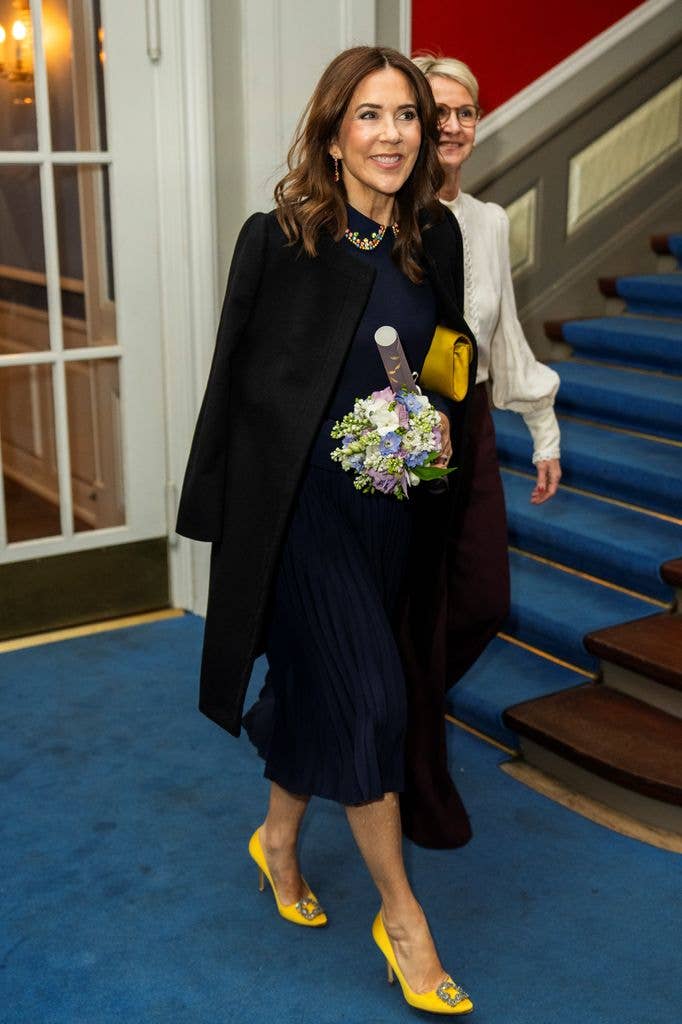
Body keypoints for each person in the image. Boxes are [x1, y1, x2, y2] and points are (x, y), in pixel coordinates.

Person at [177, 47, 476, 1015]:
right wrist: (216, 509)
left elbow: (445, 355)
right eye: (369, 116)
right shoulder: (279, 239)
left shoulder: (435, 236)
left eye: (407, 116)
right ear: (334, 134)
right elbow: (235, 381)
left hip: (391, 510)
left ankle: (275, 839)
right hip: (301, 514)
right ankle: (404, 921)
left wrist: (436, 418)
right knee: (372, 698)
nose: (392, 134)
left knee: (321, 682)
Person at [413, 55, 562, 687]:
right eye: (437, 112)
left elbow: (505, 338)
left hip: (469, 419)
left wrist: (543, 431)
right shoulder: (388, 220)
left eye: (465, 112)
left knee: (483, 600)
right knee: (413, 601)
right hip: (402, 424)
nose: (452, 126)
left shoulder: (491, 221)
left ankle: (399, 704)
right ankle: (403, 728)